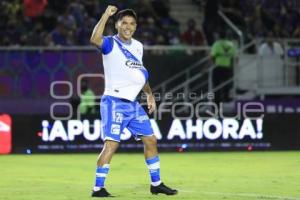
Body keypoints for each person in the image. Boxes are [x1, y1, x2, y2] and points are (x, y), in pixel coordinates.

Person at [89, 5, 178, 197]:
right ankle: (98, 188)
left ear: (136, 26)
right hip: (114, 101)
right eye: (124, 23)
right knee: (111, 145)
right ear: (117, 25)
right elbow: (94, 38)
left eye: (131, 23)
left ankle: (156, 184)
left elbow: (139, 74)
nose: (128, 27)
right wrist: (105, 14)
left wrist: (149, 93)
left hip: (132, 104)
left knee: (151, 140)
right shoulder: (110, 43)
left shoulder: (138, 46)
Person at [211, 30, 237, 104]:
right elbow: (233, 57)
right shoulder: (231, 45)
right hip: (227, 67)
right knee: (226, 84)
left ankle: (216, 102)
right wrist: (231, 65)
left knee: (216, 85)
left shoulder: (216, 44)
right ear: (226, 36)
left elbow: (212, 56)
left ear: (219, 36)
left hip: (218, 67)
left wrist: (214, 63)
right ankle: (226, 98)